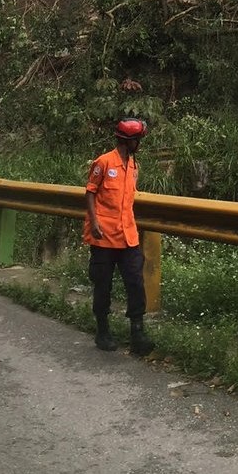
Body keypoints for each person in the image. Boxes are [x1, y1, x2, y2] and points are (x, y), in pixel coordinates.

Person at [84, 117, 154, 356]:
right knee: (103, 284)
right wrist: (94, 222)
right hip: (103, 236)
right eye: (138, 140)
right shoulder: (103, 162)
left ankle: (138, 333)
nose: (140, 144)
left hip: (128, 236)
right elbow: (90, 192)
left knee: (135, 282)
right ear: (129, 141)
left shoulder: (134, 166)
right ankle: (102, 331)